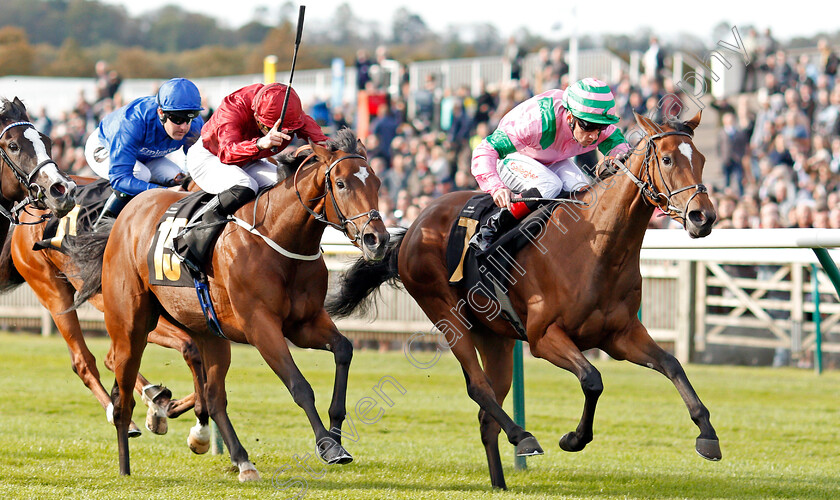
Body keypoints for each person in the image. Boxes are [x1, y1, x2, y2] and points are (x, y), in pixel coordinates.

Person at [469, 78, 631, 252]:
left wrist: (616, 159)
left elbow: (621, 149)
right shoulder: (537, 122)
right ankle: (492, 227)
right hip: (512, 157)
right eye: (589, 126)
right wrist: (496, 187)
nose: (594, 135)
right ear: (570, 117)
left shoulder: (593, 124)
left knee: (583, 193)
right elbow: (484, 150)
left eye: (600, 127)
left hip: (551, 160)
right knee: (549, 185)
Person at [175, 82, 328, 265]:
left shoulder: (288, 110)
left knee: (286, 186)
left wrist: (348, 155)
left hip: (249, 159)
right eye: (271, 128)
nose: (281, 134)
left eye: (288, 130)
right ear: (256, 116)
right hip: (211, 156)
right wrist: (259, 144)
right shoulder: (233, 107)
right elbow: (227, 153)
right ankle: (192, 236)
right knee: (246, 185)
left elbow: (323, 143)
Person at [85, 77, 204, 228]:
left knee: (180, 179)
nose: (184, 127)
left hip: (148, 155)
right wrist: (163, 191)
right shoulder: (132, 122)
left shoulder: (195, 126)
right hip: (104, 146)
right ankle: (99, 229)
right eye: (178, 119)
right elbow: (120, 179)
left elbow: (198, 166)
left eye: (191, 117)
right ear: (161, 112)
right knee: (141, 174)